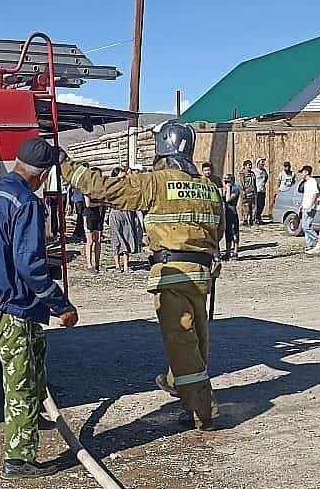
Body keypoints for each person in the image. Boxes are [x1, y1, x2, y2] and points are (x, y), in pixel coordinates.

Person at [62, 121, 224, 430]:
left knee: (181, 341)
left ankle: (204, 409)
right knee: (198, 337)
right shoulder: (209, 187)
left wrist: (66, 164)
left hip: (172, 272)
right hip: (203, 273)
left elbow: (105, 190)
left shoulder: (155, 183)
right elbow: (219, 231)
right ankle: (180, 386)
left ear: (163, 148)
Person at [0, 137, 78, 478]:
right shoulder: (26, 203)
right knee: (22, 378)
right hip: (7, 302)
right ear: (42, 176)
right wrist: (61, 305)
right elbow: (30, 265)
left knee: (35, 346)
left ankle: (33, 416)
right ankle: (18, 459)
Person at [107, 168, 143, 273]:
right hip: (116, 214)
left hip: (127, 213)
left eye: (124, 177)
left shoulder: (128, 186)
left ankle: (126, 266)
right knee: (116, 239)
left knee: (127, 236)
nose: (123, 179)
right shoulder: (111, 188)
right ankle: (117, 265)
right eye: (121, 177)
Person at [298, 164, 320, 253]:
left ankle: (318, 240)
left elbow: (315, 194)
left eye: (302, 172)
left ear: (306, 172)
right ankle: (309, 246)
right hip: (305, 207)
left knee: (306, 226)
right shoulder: (306, 183)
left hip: (311, 207)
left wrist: (311, 206)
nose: (301, 174)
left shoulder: (312, 181)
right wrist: (301, 206)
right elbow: (306, 196)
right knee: (305, 226)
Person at [83, 193, 104, 273]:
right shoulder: (86, 191)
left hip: (97, 215)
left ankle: (97, 264)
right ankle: (89, 264)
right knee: (90, 241)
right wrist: (99, 203)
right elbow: (88, 204)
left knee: (98, 240)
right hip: (88, 215)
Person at [222, 171, 241, 260]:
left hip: (233, 213)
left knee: (234, 232)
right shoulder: (225, 188)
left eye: (228, 181)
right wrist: (225, 189)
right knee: (228, 233)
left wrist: (228, 188)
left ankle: (235, 252)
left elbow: (228, 199)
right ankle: (228, 252)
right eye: (225, 181)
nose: (227, 183)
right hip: (226, 213)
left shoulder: (235, 189)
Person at [240, 159, 257, 226]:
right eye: (248, 165)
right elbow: (241, 185)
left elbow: (254, 183)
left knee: (253, 208)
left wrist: (256, 192)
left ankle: (252, 220)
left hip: (252, 193)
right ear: (244, 166)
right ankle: (245, 221)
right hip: (246, 194)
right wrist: (243, 193)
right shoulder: (242, 174)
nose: (250, 166)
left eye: (250, 165)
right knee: (246, 208)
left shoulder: (252, 174)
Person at [253, 158, 269, 224]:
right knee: (257, 205)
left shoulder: (264, 171)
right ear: (258, 163)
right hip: (257, 191)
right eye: (262, 162)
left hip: (262, 190)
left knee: (262, 205)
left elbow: (266, 178)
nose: (263, 164)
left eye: (263, 163)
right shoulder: (254, 171)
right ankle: (254, 218)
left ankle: (259, 217)